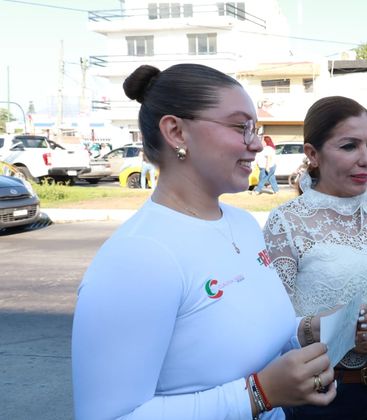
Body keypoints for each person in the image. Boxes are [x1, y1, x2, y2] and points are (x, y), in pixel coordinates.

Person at [72, 63, 341, 420]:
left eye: (255, 128)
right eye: (240, 126)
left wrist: (307, 330)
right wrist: (258, 394)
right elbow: (109, 416)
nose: (258, 143)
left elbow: (244, 336)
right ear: (176, 132)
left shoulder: (243, 223)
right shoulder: (139, 256)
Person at [263, 95, 367, 420]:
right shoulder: (286, 222)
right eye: (349, 146)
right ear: (312, 154)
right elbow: (273, 325)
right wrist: (348, 338)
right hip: (322, 394)